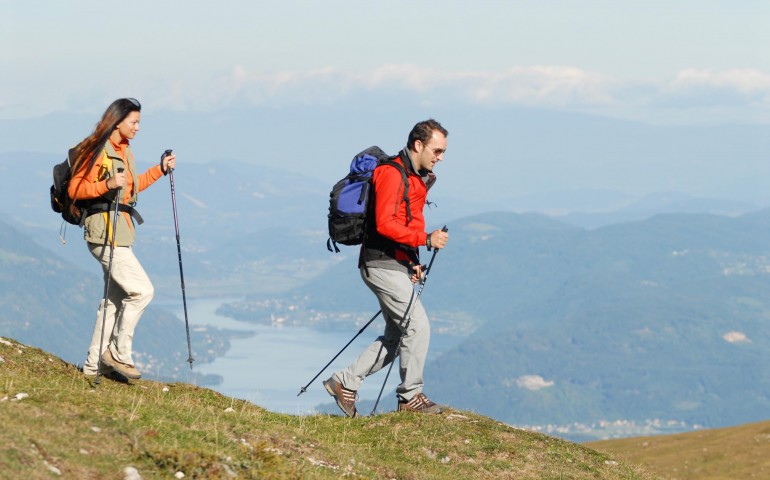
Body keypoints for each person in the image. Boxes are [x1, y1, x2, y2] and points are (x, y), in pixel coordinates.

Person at [324, 119, 449, 416]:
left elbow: (407, 220)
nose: (440, 157)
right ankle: (411, 397)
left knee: (396, 337)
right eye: (437, 150)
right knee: (418, 326)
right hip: (379, 262)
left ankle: (345, 382)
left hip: (395, 262)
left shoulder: (417, 177)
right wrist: (425, 239)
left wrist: (413, 260)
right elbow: (384, 224)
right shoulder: (391, 174)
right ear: (418, 145)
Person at [68, 97, 176, 380]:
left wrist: (160, 169)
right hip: (103, 233)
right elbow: (75, 190)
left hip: (121, 232)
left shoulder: (125, 150)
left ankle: (94, 366)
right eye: (134, 122)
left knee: (113, 301)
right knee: (142, 291)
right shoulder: (95, 149)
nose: (138, 128)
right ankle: (118, 353)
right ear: (117, 121)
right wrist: (106, 184)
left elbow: (130, 190)